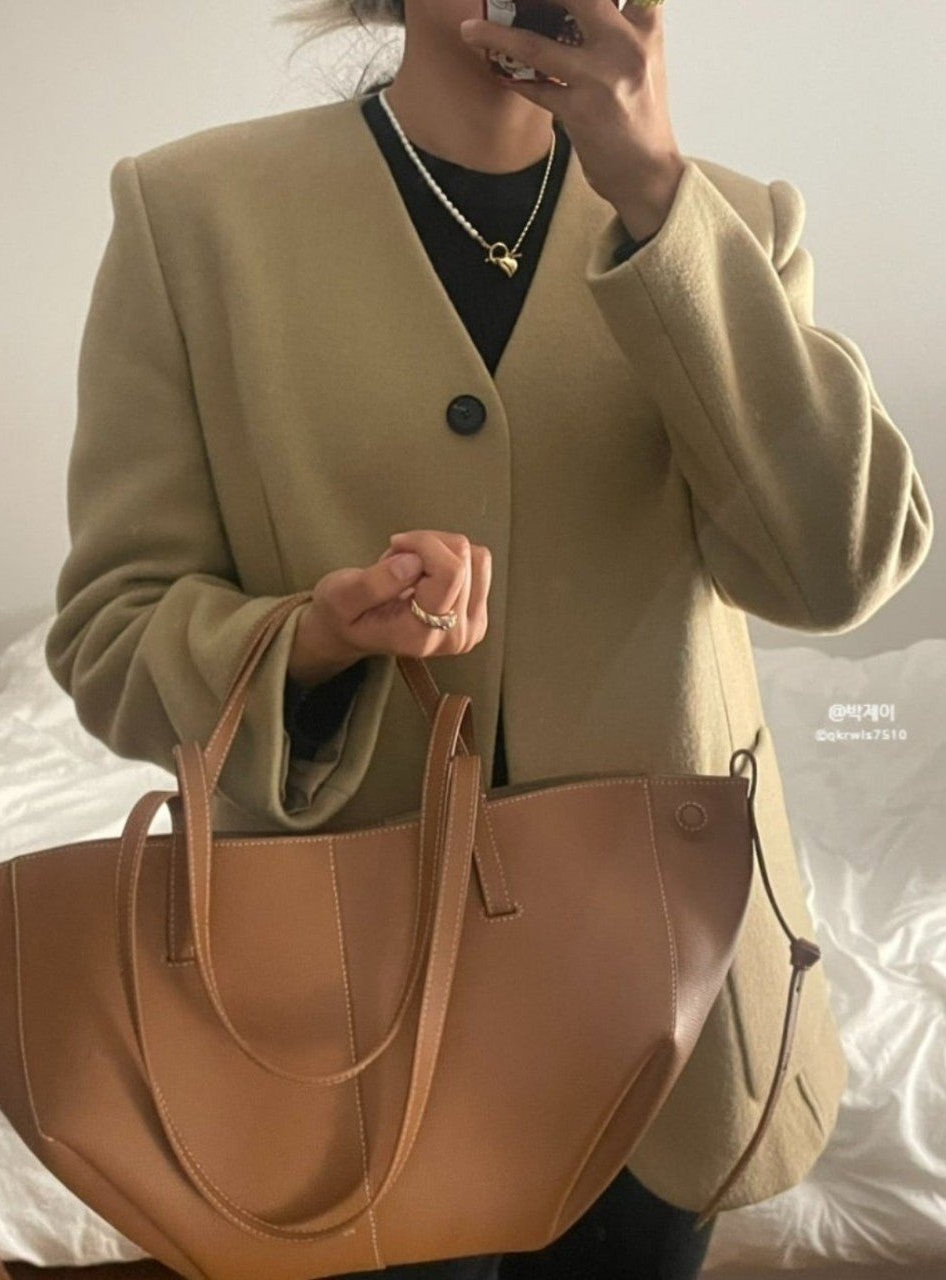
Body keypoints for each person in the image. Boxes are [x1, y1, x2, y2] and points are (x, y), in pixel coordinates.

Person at [45, 0, 934, 1276]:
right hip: (342, 1013)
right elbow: (110, 634)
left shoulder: (728, 223)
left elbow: (833, 570)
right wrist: (310, 641)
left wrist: (657, 199)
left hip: (661, 1016)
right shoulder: (192, 218)